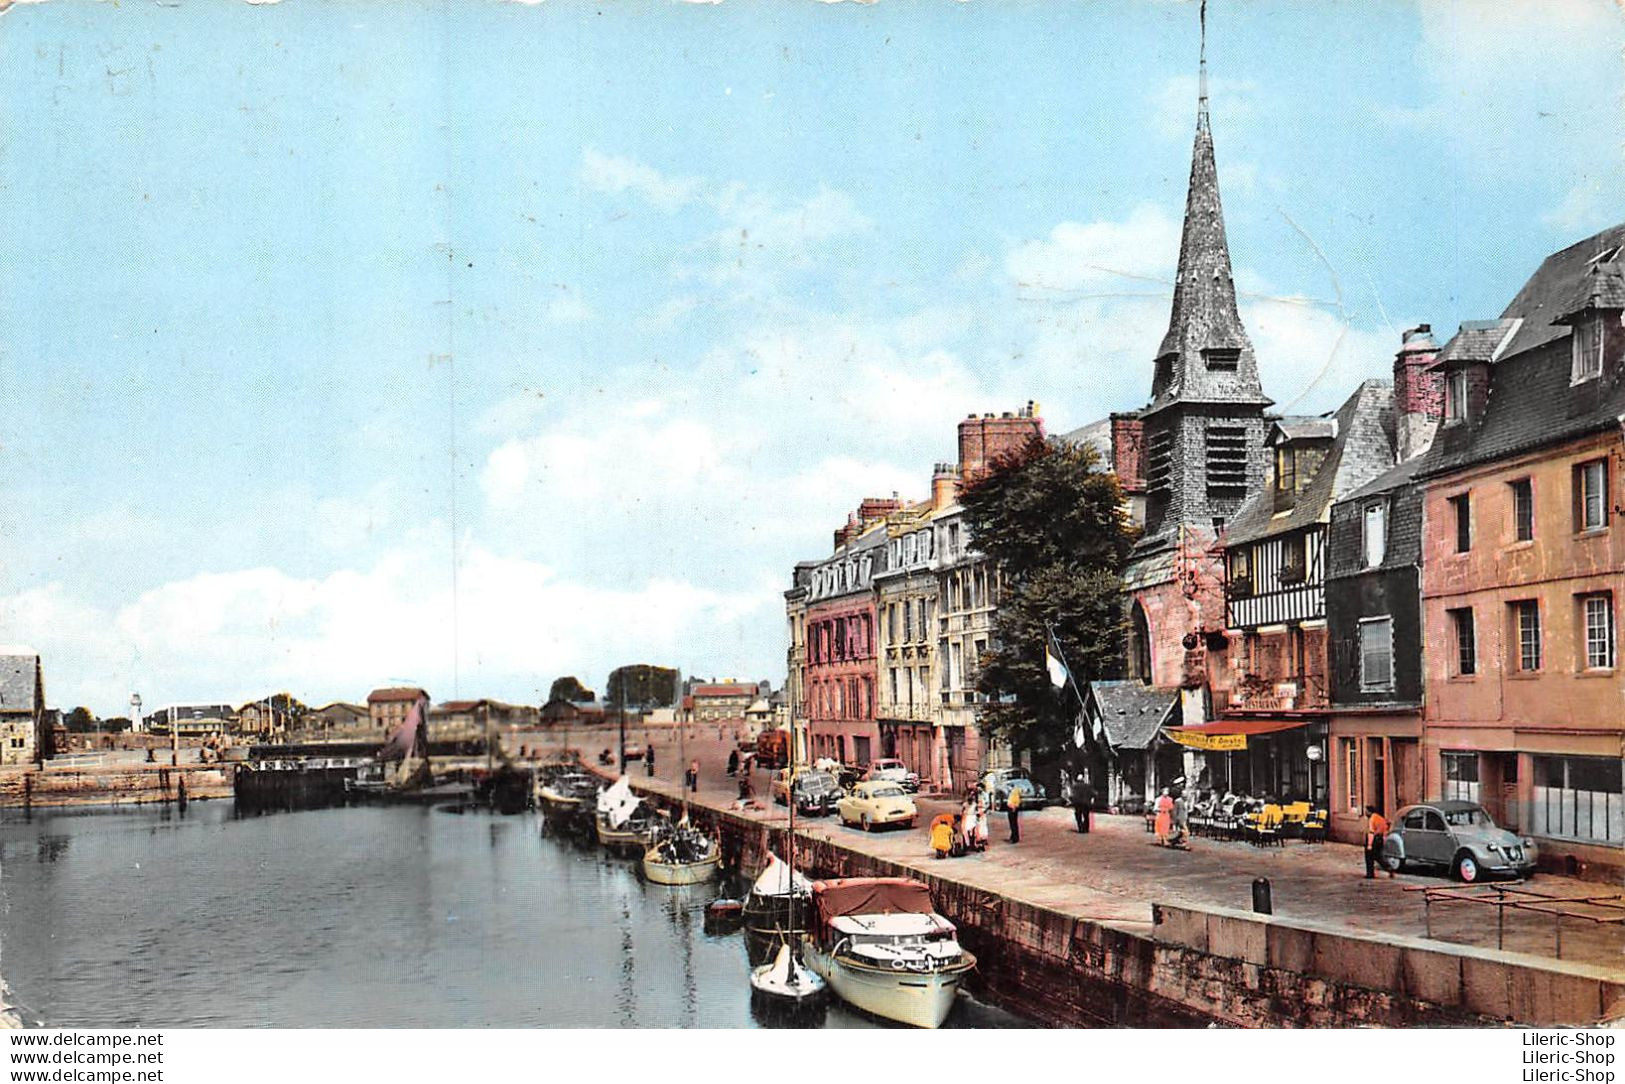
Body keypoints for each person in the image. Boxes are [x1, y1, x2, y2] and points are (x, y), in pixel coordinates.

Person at [1365, 805, 1393, 879]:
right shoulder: (1380, 818)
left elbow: (1371, 832)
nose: (1365, 813)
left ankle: (1370, 874)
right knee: (1378, 856)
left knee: (1369, 857)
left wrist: (1369, 844)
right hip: (1380, 839)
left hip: (1374, 839)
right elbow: (1386, 828)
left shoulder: (1372, 819)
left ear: (1369, 811)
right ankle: (1388, 867)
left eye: (1366, 811)